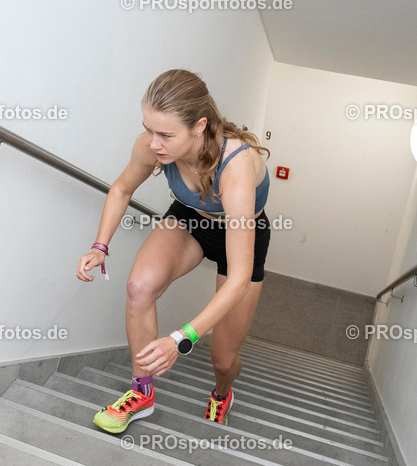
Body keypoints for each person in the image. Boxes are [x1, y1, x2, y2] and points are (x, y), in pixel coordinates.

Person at [75, 68, 271, 433]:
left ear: (199, 126)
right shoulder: (150, 145)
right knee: (139, 288)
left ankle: (222, 393)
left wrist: (180, 340)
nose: (153, 144)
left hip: (241, 236)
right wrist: (100, 246)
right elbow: (121, 189)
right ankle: (141, 393)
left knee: (223, 359)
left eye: (165, 134)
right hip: (190, 221)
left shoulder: (237, 165)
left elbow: (240, 276)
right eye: (148, 129)